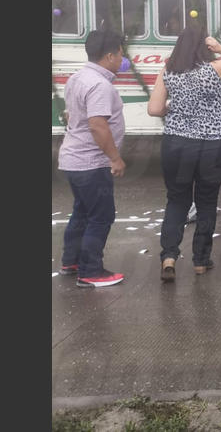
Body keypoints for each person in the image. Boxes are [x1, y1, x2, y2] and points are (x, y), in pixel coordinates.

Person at [147, 23, 221, 282]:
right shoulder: (217, 69)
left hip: (176, 143)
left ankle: (169, 257)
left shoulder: (168, 71)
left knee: (177, 201)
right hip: (212, 144)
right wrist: (220, 48)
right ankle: (200, 261)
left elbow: (154, 109)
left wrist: (174, 109)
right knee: (206, 202)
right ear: (204, 46)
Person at [58, 29, 128, 288]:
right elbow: (98, 125)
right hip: (91, 163)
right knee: (101, 216)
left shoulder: (78, 77)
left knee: (82, 212)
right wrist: (115, 158)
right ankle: (91, 271)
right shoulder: (99, 84)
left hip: (74, 159)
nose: (122, 58)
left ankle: (71, 261)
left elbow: (71, 115)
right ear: (110, 55)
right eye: (120, 53)